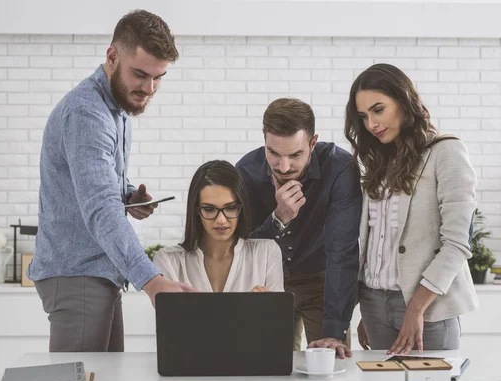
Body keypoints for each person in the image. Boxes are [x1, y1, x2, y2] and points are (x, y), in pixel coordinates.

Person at [27, 10, 195, 353]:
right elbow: (101, 208)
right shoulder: (87, 113)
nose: (149, 88)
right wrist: (151, 280)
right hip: (77, 273)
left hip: (95, 271)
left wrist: (130, 195)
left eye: (159, 77)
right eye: (140, 74)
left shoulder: (115, 109)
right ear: (112, 56)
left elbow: (96, 182)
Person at [345, 63, 478, 354]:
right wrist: (371, 308)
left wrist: (415, 309)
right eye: (364, 116)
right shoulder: (378, 161)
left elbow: (457, 243)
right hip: (374, 305)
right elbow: (375, 241)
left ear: (404, 101)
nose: (371, 124)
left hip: (428, 308)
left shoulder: (447, 151)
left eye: (378, 110)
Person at [236, 98, 362, 358]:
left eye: (295, 155)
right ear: (264, 139)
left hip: (324, 283)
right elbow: (242, 249)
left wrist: (334, 330)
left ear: (312, 143)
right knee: (269, 367)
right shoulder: (245, 172)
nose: (284, 167)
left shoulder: (339, 168)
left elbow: (342, 252)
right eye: (274, 153)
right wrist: (278, 219)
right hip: (270, 285)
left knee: (332, 364)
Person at [154, 160, 284, 293]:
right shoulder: (168, 260)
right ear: (196, 210)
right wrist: (246, 308)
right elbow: (170, 314)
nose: (221, 220)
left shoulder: (267, 253)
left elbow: (278, 313)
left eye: (231, 208)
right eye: (209, 209)